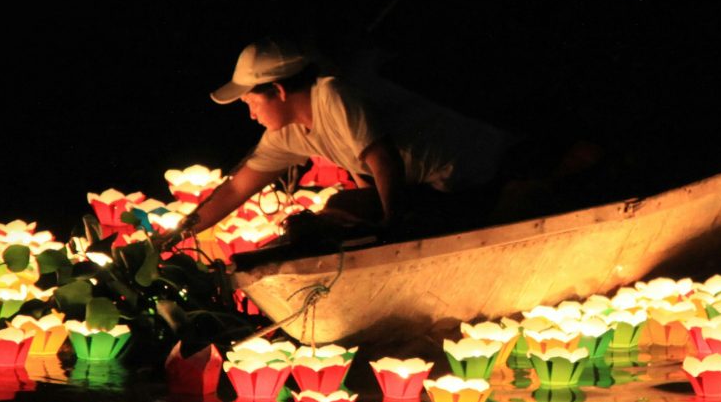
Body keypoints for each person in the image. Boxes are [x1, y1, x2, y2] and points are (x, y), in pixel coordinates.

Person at [160, 39, 517, 252]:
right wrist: (171, 239)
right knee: (323, 218)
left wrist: (390, 225)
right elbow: (236, 187)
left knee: (341, 207)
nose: (251, 114)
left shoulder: (332, 93)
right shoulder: (287, 133)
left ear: (279, 91)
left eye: (251, 102)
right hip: (425, 189)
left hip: (472, 173)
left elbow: (382, 158)